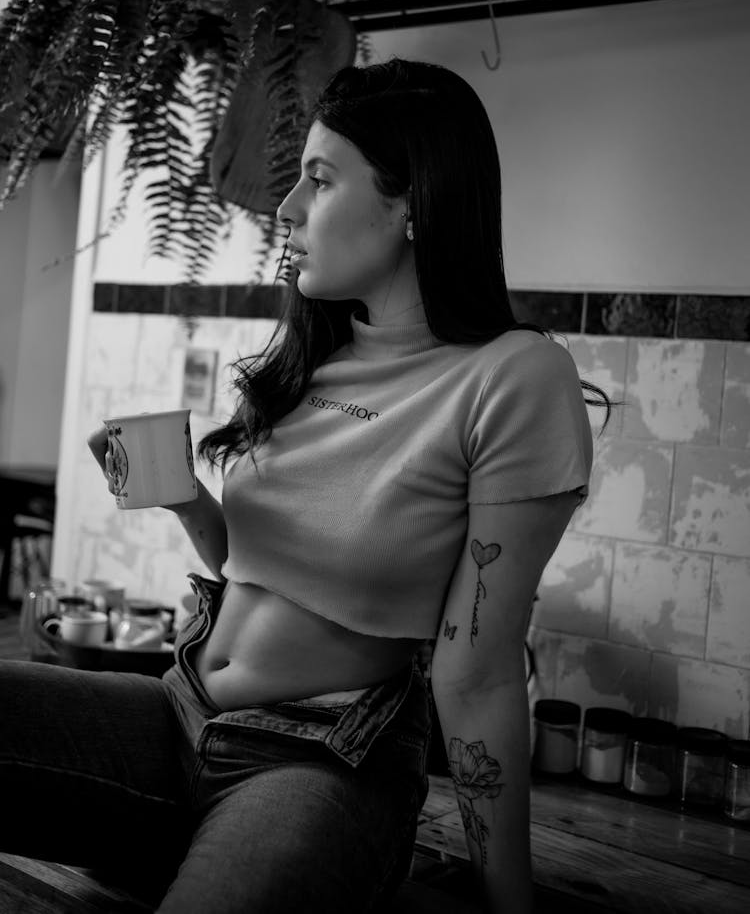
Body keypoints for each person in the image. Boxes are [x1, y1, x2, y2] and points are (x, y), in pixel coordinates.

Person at [0, 58, 603, 913]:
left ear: (410, 205)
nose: (286, 207)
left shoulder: (513, 376)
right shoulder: (315, 352)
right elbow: (258, 565)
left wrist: (511, 904)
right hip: (175, 712)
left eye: (319, 179)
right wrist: (184, 499)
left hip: (321, 762)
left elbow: (480, 673)